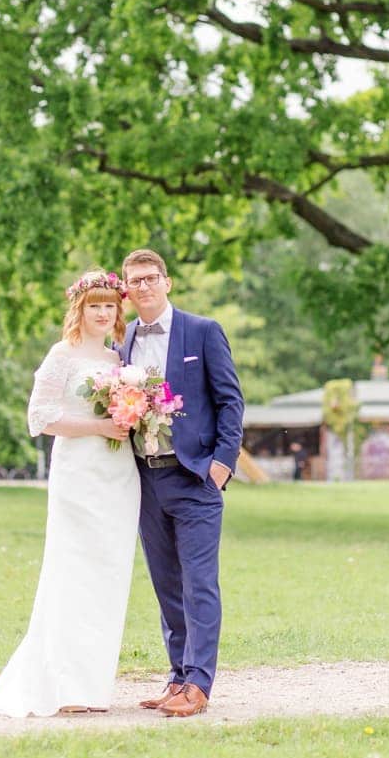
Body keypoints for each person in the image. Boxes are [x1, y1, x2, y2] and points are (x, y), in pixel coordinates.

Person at [0, 271, 136, 717]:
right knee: (73, 568)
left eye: (109, 306)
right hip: (78, 472)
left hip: (119, 474)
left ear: (119, 311)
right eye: (94, 305)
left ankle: (92, 686)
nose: (102, 313)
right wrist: (100, 426)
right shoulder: (62, 355)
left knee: (109, 573)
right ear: (79, 310)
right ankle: (61, 683)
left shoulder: (120, 359)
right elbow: (39, 417)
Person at [119, 248, 244, 718]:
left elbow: (231, 401)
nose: (144, 286)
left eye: (152, 277)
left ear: (167, 283)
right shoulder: (125, 338)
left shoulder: (203, 331)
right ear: (127, 290)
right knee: (166, 585)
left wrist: (222, 464)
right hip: (146, 482)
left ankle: (199, 684)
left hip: (195, 477)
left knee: (198, 585)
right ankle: (177, 678)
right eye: (136, 280)